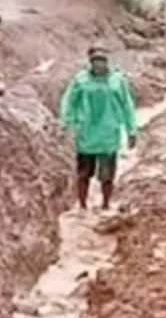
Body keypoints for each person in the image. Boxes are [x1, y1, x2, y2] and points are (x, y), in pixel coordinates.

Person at [58, 46, 138, 211]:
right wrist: (66, 123)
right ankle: (82, 205)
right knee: (83, 173)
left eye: (102, 60)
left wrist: (132, 130)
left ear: (107, 62)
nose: (99, 64)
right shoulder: (81, 80)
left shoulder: (117, 81)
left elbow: (127, 105)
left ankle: (106, 204)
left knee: (107, 175)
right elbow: (69, 101)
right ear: (90, 62)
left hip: (109, 134)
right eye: (96, 61)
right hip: (86, 133)